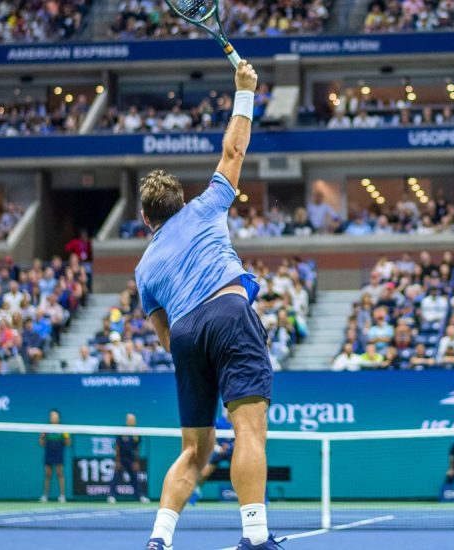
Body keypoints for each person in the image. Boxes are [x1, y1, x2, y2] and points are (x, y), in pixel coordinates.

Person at [134, 61, 283, 550]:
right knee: (249, 429)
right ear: (180, 200)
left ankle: (159, 539)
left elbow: (164, 335)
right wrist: (245, 91)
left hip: (184, 335)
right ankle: (256, 537)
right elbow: (234, 148)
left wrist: (197, 354)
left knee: (195, 450)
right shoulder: (204, 206)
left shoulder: (144, 270)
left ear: (145, 217)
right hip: (226, 311)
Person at [190, 412, 235, 505]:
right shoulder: (218, 422)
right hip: (219, 451)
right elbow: (211, 435)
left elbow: (241, 437)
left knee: (240, 473)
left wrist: (230, 446)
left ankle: (259, 497)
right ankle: (196, 492)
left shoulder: (237, 422)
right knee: (205, 472)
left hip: (233, 451)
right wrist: (217, 447)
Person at [108, 413, 150, 504]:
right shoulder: (122, 431)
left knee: (135, 477)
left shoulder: (136, 432)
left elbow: (137, 448)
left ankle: (140, 496)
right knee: (116, 477)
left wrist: (136, 461)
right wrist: (117, 461)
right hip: (121, 458)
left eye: (134, 420)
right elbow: (117, 446)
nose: (132, 422)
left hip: (132, 459)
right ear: (127, 421)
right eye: (130, 420)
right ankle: (111, 496)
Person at [39, 409, 70, 503]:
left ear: (58, 418)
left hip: (58, 453)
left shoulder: (63, 429)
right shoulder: (46, 429)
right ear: (50, 418)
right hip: (49, 453)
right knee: (47, 475)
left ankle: (62, 496)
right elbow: (41, 443)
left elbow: (68, 443)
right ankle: (45, 496)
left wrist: (66, 436)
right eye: (52, 416)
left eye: (55, 416)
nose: (54, 418)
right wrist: (42, 436)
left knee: (60, 474)